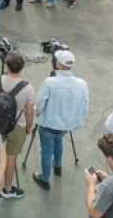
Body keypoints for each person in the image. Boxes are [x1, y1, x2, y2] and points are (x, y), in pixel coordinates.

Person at [33, 49, 90, 190]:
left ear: (57, 64)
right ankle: (57, 166)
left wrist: (38, 115)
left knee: (46, 151)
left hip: (49, 124)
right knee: (58, 141)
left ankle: (45, 179)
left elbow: (39, 103)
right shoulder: (82, 84)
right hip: (67, 125)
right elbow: (85, 105)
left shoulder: (50, 83)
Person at [0, 52, 35, 199]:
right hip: (16, 125)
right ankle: (7, 188)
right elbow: (29, 112)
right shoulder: (28, 89)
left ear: (6, 66)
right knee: (11, 157)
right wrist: (28, 127)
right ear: (21, 68)